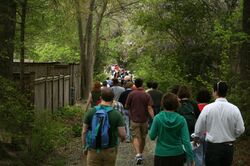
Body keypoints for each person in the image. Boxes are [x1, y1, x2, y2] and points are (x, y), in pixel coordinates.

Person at [194, 81, 245, 166]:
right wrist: (233, 135)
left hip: (212, 148)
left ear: (215, 92)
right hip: (228, 147)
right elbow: (241, 129)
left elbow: (199, 126)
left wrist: (197, 136)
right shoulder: (234, 109)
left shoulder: (208, 108)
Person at [82, 88, 126, 166]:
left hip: (93, 150)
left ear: (100, 98)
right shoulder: (116, 114)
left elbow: (84, 132)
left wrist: (85, 146)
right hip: (110, 150)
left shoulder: (91, 112)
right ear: (113, 99)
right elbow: (122, 134)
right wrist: (122, 139)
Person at [149, 93, 195, 166]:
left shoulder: (157, 118)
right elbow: (186, 141)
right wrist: (191, 157)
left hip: (161, 154)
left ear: (163, 104)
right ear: (177, 104)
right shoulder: (181, 119)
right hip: (177, 154)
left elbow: (152, 136)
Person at [125, 78, 154, 165]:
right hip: (144, 120)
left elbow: (126, 106)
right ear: (142, 84)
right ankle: (141, 153)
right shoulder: (146, 95)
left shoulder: (131, 94)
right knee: (143, 137)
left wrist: (131, 110)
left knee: (135, 136)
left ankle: (138, 154)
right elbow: (149, 107)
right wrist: (154, 117)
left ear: (135, 84)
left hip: (134, 120)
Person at [192, 88, 211, 166]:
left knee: (198, 155)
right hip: (208, 134)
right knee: (207, 155)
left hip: (197, 134)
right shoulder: (211, 107)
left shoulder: (194, 106)